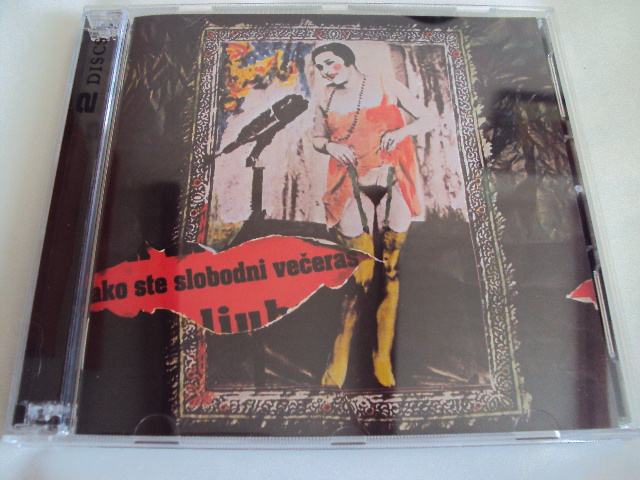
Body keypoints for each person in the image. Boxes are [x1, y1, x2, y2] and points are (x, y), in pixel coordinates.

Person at [310, 42, 433, 388]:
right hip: (349, 185)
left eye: (330, 63)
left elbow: (428, 118)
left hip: (393, 180)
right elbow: (317, 138)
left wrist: (401, 132)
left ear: (347, 60)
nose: (325, 71)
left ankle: (382, 360)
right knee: (359, 276)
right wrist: (330, 145)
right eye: (320, 67)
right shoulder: (324, 98)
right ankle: (338, 361)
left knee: (390, 271)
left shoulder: (384, 85)